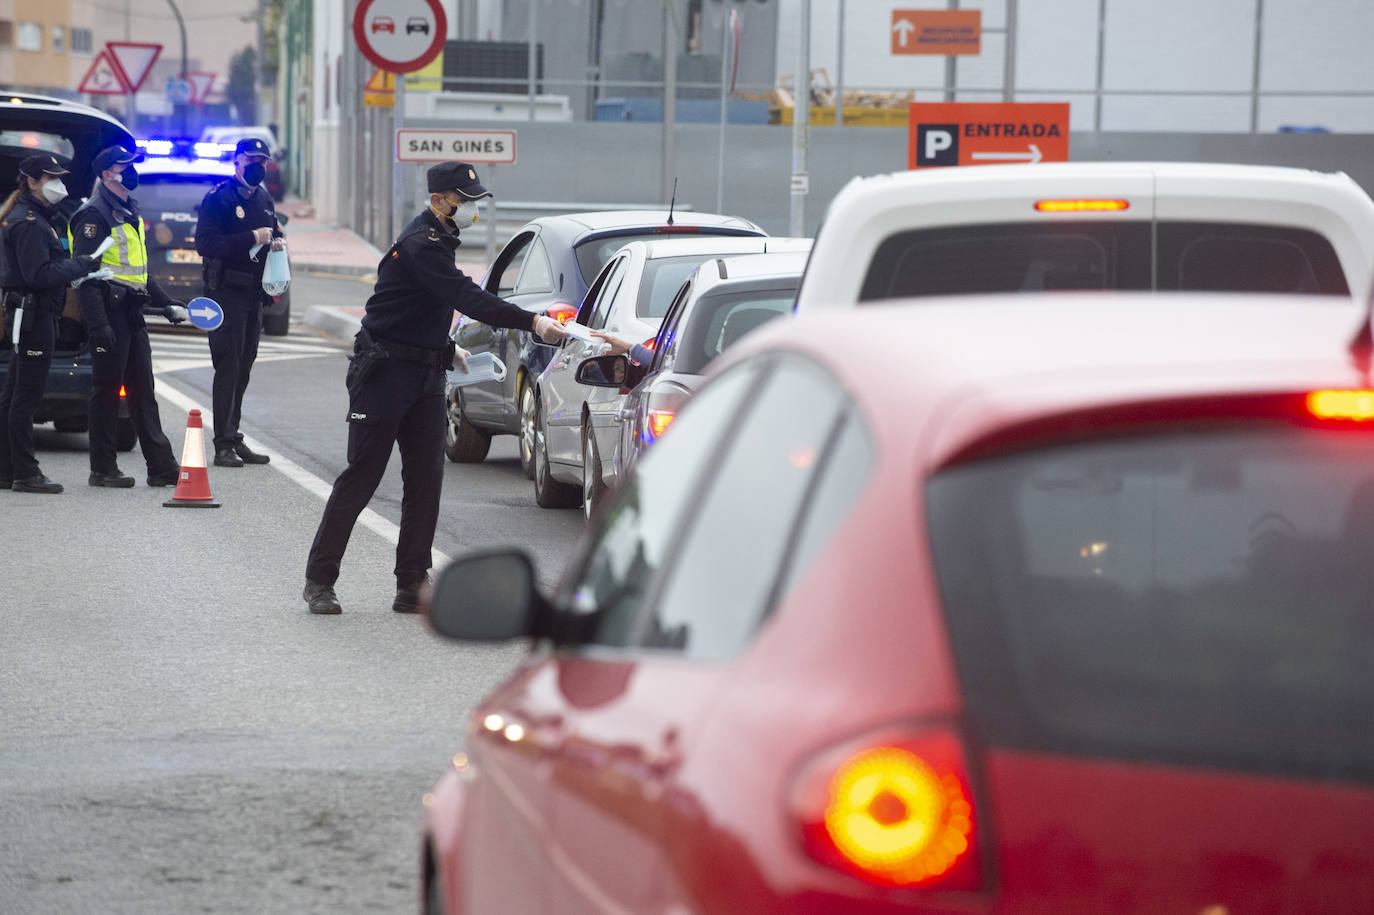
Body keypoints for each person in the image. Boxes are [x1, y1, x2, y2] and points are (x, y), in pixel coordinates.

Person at [303, 161, 569, 615]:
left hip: (427, 375)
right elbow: (465, 297)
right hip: (383, 374)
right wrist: (533, 321)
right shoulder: (420, 244)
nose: (471, 209)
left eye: (473, 201)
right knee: (363, 476)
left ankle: (411, 582)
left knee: (425, 479)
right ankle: (320, 580)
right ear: (438, 201)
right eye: (463, 201)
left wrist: (445, 345)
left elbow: (419, 304)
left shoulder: (441, 240)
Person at [69, 145, 189, 488]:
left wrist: (166, 303)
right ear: (108, 173)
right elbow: (84, 277)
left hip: (131, 309)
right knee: (106, 391)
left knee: (143, 391)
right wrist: (98, 324)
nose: (132, 170)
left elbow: (139, 272)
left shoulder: (127, 209)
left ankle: (161, 465)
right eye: (126, 166)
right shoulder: (94, 216)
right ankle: (103, 468)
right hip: (108, 310)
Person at [0, 155, 104, 492]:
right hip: (33, 316)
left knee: (13, 395)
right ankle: (26, 473)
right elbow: (38, 275)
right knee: (25, 398)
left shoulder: (39, 217)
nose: (59, 184)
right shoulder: (29, 222)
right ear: (31, 182)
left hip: (33, 316)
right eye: (50, 178)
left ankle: (6, 469)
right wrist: (81, 265)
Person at [194, 137, 283, 468]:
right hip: (225, 292)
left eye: (263, 160)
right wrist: (250, 237)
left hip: (253, 296)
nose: (258, 165)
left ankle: (232, 435)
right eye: (251, 159)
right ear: (237, 162)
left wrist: (276, 242)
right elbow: (205, 243)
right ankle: (222, 445)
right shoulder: (219, 198)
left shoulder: (263, 197)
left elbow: (272, 231)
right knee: (228, 367)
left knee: (244, 367)